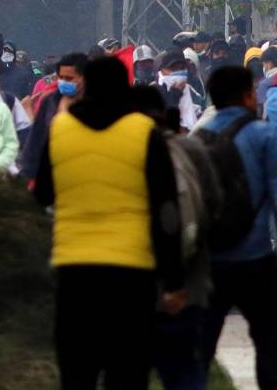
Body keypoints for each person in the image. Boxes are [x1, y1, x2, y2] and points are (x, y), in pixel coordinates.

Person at [33, 56, 184, 390]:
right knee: (128, 372)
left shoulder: (60, 128)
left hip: (74, 268)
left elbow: (42, 194)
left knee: (77, 371)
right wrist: (173, 279)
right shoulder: (144, 132)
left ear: (86, 85)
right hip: (131, 271)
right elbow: (167, 211)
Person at [198, 65, 277, 387]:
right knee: (270, 341)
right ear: (247, 95)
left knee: (201, 346)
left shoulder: (198, 136)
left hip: (208, 262)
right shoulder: (265, 135)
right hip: (255, 257)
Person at [20, 53, 88, 180]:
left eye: (69, 78)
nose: (64, 82)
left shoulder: (98, 105)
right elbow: (36, 140)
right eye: (61, 78)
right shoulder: (50, 101)